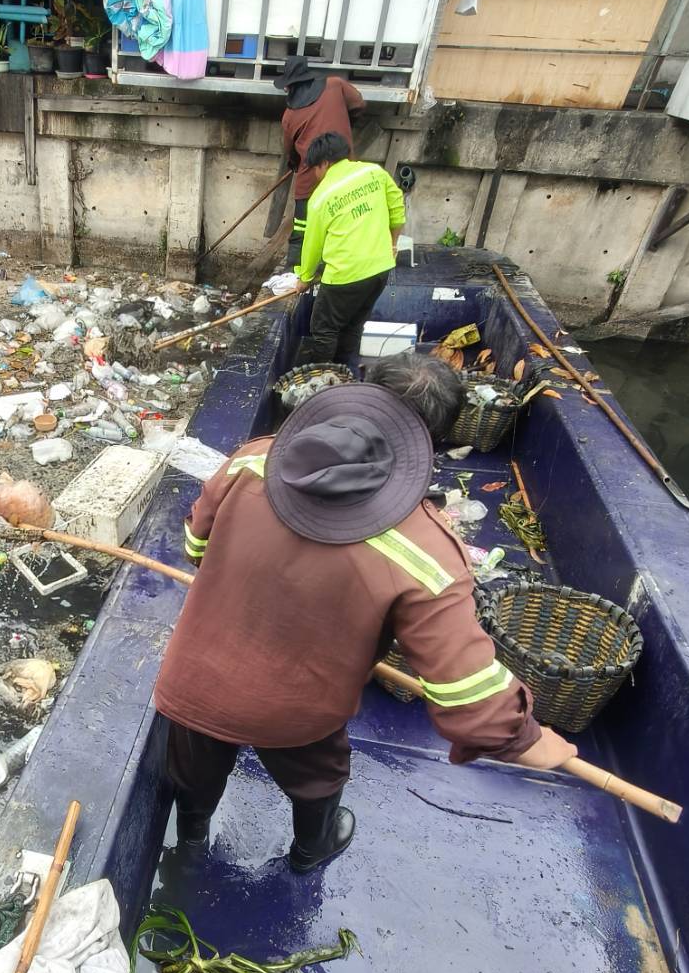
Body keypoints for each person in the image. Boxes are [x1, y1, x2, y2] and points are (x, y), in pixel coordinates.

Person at [153, 353, 576, 874]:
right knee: (318, 775)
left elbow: (195, 545)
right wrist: (527, 739)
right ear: (434, 440)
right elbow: (469, 692)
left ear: (359, 395)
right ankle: (312, 848)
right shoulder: (427, 550)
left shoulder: (254, 459)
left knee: (194, 761)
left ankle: (191, 835)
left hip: (193, 679)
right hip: (295, 709)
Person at [293, 131, 406, 374]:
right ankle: (344, 372)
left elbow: (312, 245)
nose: (315, 175)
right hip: (380, 269)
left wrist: (305, 278)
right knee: (353, 324)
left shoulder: (321, 197)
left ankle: (322, 378)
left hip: (344, 275)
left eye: (315, 169)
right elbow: (397, 208)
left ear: (324, 163)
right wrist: (393, 244)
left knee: (324, 328)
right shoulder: (374, 173)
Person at [276, 57, 366, 267]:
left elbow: (290, 152)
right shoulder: (335, 85)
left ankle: (294, 268)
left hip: (309, 178)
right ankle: (329, 266)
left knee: (302, 226)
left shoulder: (289, 116)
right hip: (344, 173)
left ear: (288, 86)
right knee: (340, 222)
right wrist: (347, 122)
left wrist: (294, 164)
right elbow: (359, 105)